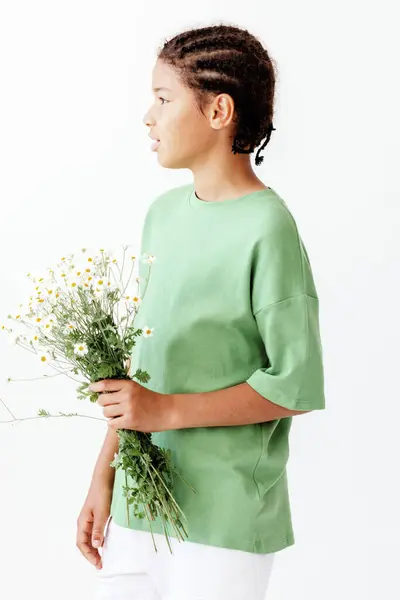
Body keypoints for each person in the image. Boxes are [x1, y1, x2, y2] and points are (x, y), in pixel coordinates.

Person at [76, 23, 326, 600]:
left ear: (219, 111)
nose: (148, 116)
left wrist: (164, 412)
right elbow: (143, 367)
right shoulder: (162, 215)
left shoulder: (269, 227)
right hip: (138, 506)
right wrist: (103, 477)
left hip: (222, 523)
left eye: (164, 99)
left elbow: (295, 383)